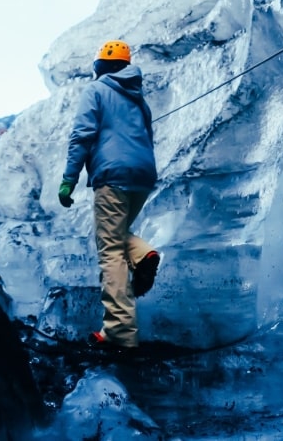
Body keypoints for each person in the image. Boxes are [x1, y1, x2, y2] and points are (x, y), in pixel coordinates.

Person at [58, 39, 161, 349]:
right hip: (142, 176)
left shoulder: (96, 90)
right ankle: (143, 255)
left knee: (110, 250)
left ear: (100, 66)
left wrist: (69, 179)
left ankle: (119, 332)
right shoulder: (139, 99)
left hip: (113, 175)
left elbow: (82, 135)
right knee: (116, 236)